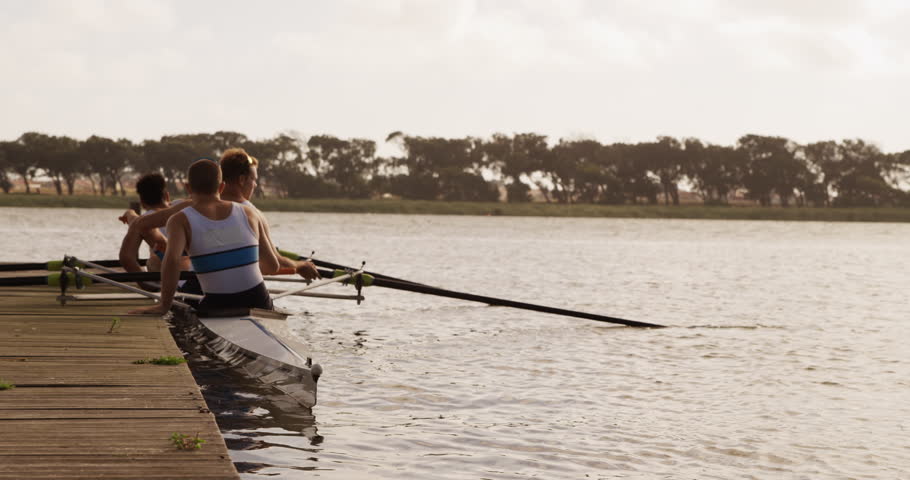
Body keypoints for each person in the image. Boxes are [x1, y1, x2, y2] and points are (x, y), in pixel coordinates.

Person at [124, 149, 319, 282]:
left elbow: (140, 224)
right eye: (254, 180)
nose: (256, 185)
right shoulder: (252, 214)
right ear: (242, 180)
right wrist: (301, 265)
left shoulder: (189, 205)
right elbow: (274, 264)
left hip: (190, 283)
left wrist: (151, 273)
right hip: (228, 289)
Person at [131, 159, 280, 315]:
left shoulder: (179, 220)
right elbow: (272, 266)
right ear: (222, 187)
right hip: (260, 302)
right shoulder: (250, 213)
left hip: (218, 305)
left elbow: (172, 261)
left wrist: (164, 305)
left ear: (188, 187)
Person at [117, 173, 201, 294]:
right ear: (167, 195)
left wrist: (148, 284)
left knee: (152, 262)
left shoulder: (144, 220)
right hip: (196, 271)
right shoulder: (184, 206)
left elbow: (126, 258)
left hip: (166, 271)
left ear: (142, 202)